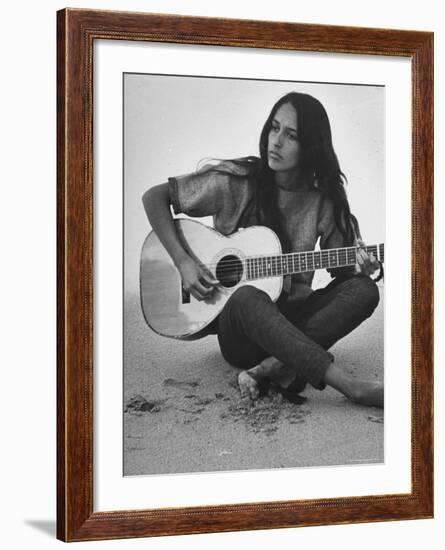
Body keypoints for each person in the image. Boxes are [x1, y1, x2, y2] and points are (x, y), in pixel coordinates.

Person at [142, 92, 384, 408]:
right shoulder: (237, 182)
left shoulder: (323, 203)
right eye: (274, 128)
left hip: (296, 323)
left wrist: (362, 268)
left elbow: (344, 275)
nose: (277, 141)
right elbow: (154, 197)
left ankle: (270, 367)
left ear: (311, 145)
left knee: (364, 291)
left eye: (291, 134)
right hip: (241, 335)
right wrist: (184, 261)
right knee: (246, 296)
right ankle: (352, 387)